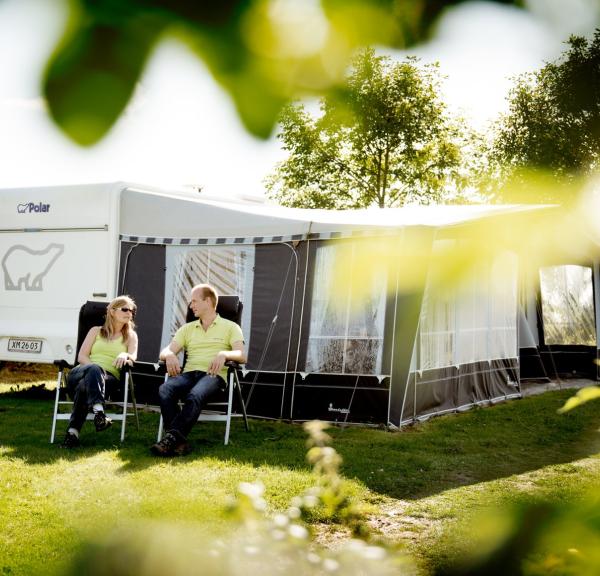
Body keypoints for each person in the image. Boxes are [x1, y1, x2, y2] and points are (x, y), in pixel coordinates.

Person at [151, 283, 246, 456]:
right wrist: (170, 355)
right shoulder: (187, 328)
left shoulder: (231, 327)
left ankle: (171, 438)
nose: (191, 305)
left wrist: (224, 354)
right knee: (165, 389)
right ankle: (178, 441)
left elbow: (241, 355)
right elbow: (165, 351)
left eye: (194, 301)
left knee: (195, 395)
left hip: (213, 376)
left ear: (208, 301)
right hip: (188, 374)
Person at [61, 296, 138, 448]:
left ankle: (73, 433)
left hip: (108, 380)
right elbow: (82, 356)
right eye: (125, 309)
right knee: (93, 371)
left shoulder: (130, 336)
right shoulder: (95, 331)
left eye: (131, 310)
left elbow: (133, 356)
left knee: (85, 386)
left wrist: (125, 354)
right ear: (112, 311)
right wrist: (94, 370)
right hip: (80, 372)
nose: (129, 313)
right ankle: (99, 413)